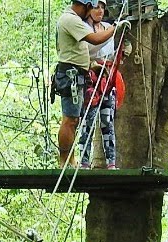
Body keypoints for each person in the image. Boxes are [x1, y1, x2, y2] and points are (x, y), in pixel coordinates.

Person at [55, 0, 118, 167]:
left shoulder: (72, 20)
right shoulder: (71, 19)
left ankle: (70, 159)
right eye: (91, 7)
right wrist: (115, 27)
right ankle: (65, 161)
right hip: (71, 75)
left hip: (76, 73)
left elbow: (78, 51)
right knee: (70, 120)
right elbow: (95, 39)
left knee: (73, 119)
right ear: (85, 6)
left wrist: (92, 66)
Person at [78, 0, 121, 168]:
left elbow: (110, 53)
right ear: (89, 8)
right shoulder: (83, 28)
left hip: (107, 80)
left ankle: (111, 163)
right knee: (87, 121)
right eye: (97, 7)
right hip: (90, 78)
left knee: (107, 121)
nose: (100, 10)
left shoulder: (106, 27)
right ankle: (84, 161)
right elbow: (89, 49)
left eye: (103, 7)